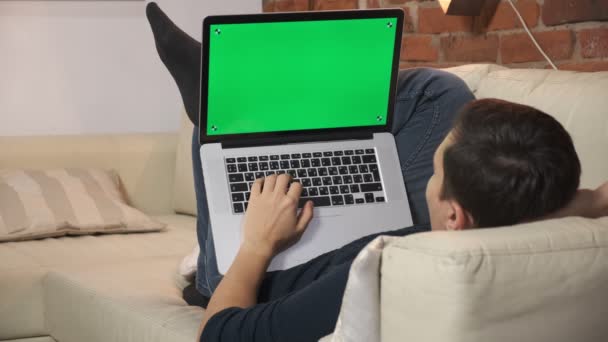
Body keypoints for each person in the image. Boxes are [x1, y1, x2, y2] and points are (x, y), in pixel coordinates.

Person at [145, 3, 608, 341]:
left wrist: (257, 243)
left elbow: (220, 335)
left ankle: (216, 93)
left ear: (454, 219)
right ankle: (227, 91)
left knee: (221, 132)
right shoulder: (524, 230)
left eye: (433, 171)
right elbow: (559, 206)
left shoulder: (378, 273)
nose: (428, 172)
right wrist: (591, 201)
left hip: (252, 277)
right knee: (438, 89)